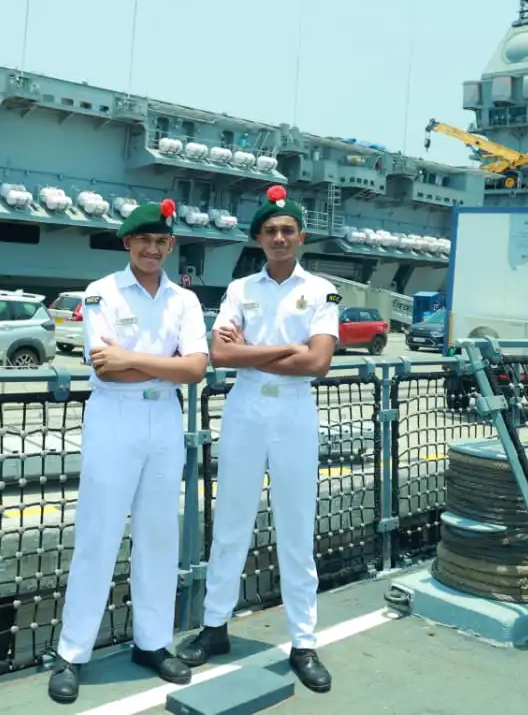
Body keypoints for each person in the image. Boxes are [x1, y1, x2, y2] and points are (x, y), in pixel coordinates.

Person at [175, 184, 339, 694]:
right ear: (259, 238)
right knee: (230, 522)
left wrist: (257, 349)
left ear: (301, 236)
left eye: (288, 230)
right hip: (245, 409)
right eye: (270, 231)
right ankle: (215, 627)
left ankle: (304, 641)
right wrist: (288, 347)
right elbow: (219, 355)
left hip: (293, 411)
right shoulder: (240, 289)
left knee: (296, 527)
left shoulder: (323, 290)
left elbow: (318, 362)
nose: (280, 237)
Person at [47, 198, 211, 705]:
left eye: (162, 241)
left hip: (164, 418)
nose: (153, 249)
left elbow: (197, 369)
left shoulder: (184, 300)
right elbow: (104, 369)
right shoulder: (101, 293)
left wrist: (137, 359)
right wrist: (167, 363)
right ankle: (72, 653)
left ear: (170, 245)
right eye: (144, 241)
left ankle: (153, 642)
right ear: (127, 243)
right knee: (97, 533)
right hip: (115, 416)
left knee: (159, 535)